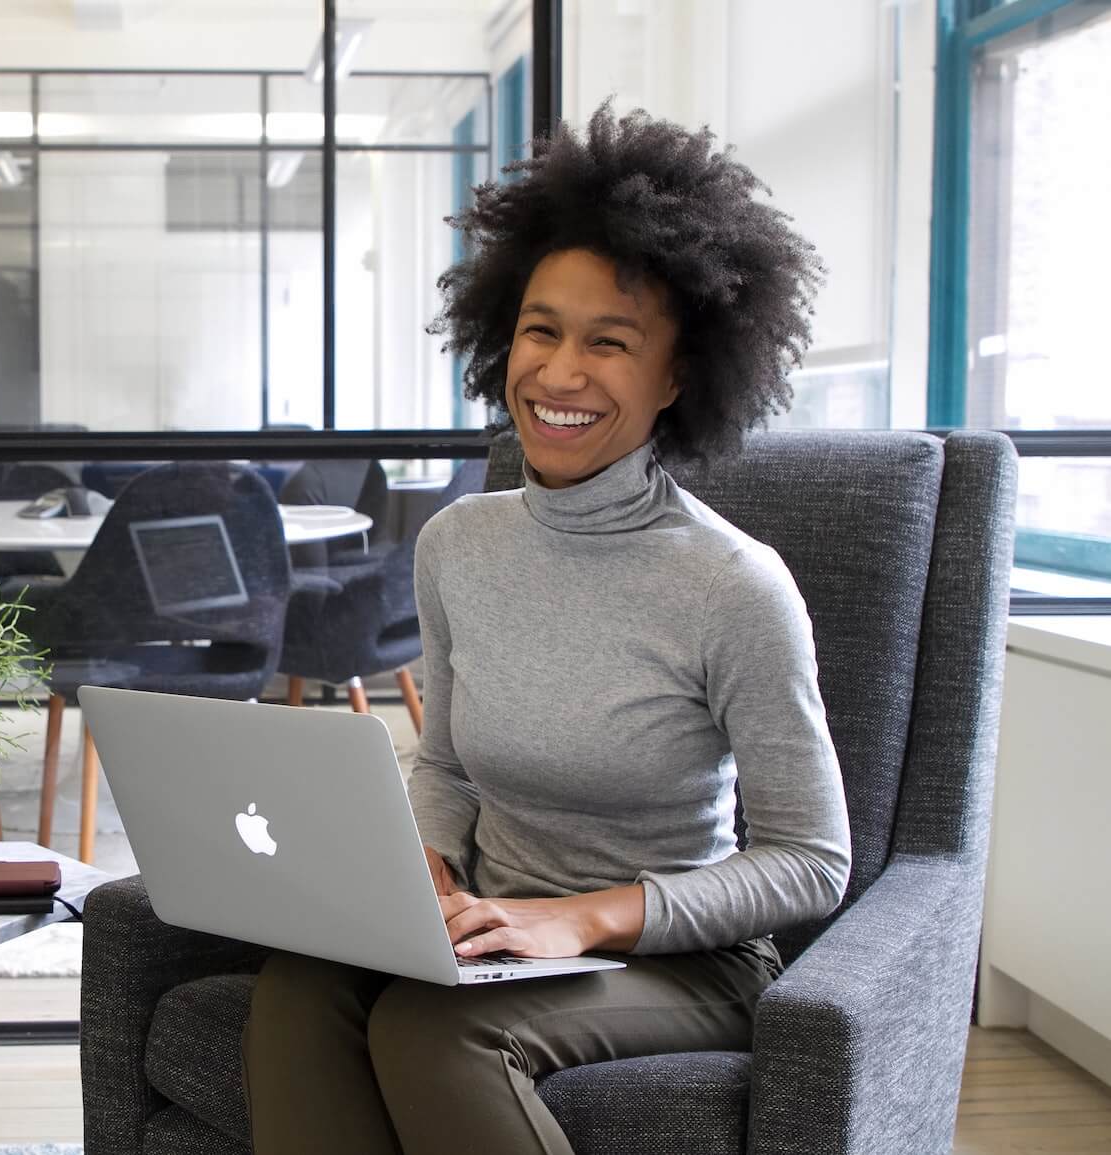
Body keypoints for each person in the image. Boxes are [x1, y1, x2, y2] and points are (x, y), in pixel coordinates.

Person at [243, 103, 852, 1155]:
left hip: (676, 961)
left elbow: (808, 863)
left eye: (609, 343)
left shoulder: (731, 585)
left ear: (676, 377)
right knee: (301, 990)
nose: (559, 375)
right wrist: (426, 862)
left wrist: (580, 918)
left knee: (433, 1032)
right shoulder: (458, 544)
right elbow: (443, 765)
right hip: (495, 927)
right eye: (540, 329)